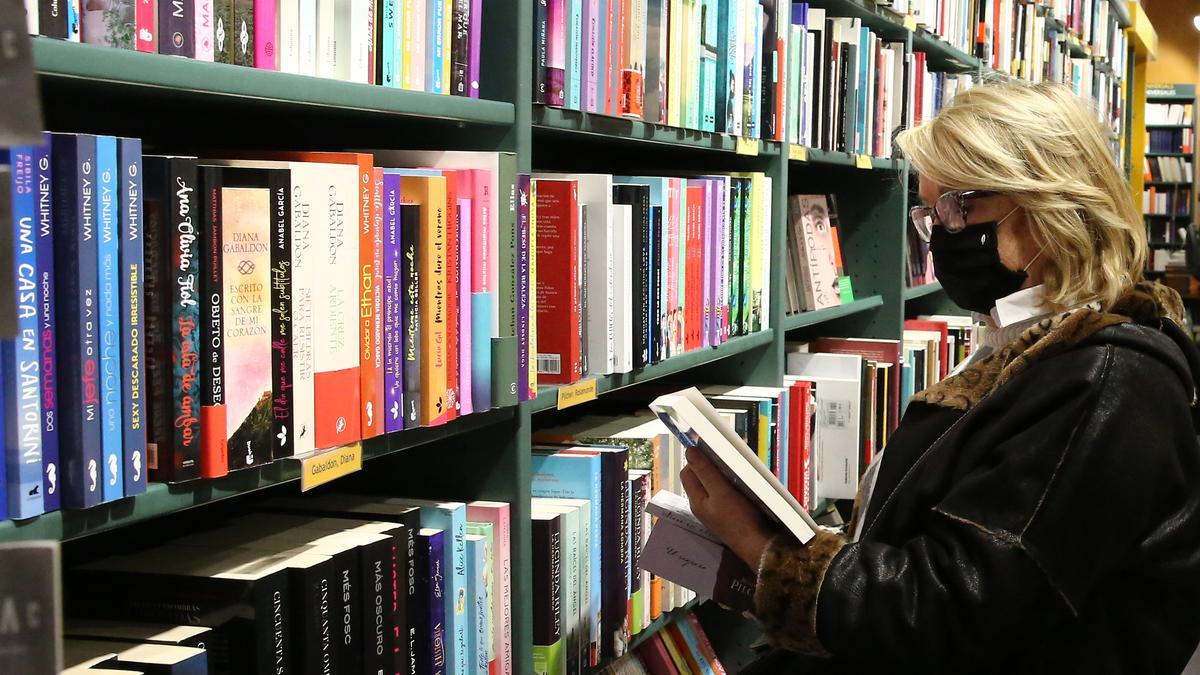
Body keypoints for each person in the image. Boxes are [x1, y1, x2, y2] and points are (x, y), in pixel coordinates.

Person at [680, 81, 1200, 674]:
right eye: (931, 212)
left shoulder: (1107, 381)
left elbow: (960, 611)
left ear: (1051, 207)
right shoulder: (1018, 344)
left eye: (961, 206)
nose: (941, 234)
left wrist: (762, 548)